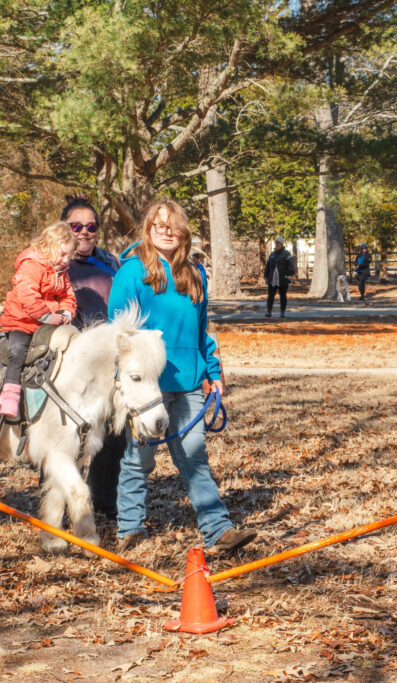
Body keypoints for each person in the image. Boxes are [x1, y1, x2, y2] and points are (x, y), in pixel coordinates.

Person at [108, 200, 256, 555]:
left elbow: (204, 329)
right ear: (148, 229)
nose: (166, 231)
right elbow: (119, 332)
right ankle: (129, 528)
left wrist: (213, 372)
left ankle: (218, 531)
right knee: (138, 460)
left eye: (172, 225)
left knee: (193, 456)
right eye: (158, 225)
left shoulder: (195, 273)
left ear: (183, 231)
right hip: (149, 385)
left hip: (189, 382)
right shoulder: (131, 272)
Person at [61, 196, 126, 517]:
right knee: (66, 436)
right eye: (76, 226)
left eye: (91, 227)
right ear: (65, 229)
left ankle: (104, 503)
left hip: (110, 360)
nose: (84, 232)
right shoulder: (54, 262)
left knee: (114, 433)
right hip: (70, 361)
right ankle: (59, 503)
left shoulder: (111, 262)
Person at [0, 222, 78, 419]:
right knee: (17, 351)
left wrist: (66, 313)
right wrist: (48, 316)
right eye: (62, 254)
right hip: (22, 322)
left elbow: (68, 297)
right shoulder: (32, 265)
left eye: (69, 256)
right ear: (48, 247)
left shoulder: (61, 271)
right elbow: (28, 295)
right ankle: (10, 395)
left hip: (47, 323)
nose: (65, 260)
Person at [264, 236, 295, 318]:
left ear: (281, 244)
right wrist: (266, 276)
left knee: (283, 296)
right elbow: (267, 266)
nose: (277, 244)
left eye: (278, 243)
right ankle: (269, 312)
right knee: (270, 296)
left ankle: (282, 312)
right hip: (272, 279)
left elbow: (291, 266)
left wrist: (290, 274)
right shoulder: (272, 254)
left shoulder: (287, 254)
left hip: (283, 279)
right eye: (276, 243)